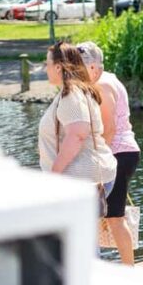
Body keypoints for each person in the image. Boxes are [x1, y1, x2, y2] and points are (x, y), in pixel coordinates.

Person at [77, 41, 141, 266]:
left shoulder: (102, 85)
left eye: (80, 68)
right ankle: (125, 268)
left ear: (93, 67)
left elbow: (109, 129)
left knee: (114, 217)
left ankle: (128, 269)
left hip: (117, 154)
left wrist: (92, 161)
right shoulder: (108, 79)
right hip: (122, 153)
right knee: (112, 215)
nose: (76, 74)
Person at [38, 41, 117, 203]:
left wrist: (53, 175)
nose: (46, 68)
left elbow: (77, 135)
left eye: (47, 64)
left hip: (81, 180)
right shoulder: (77, 90)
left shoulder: (71, 94)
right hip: (87, 177)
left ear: (59, 67)